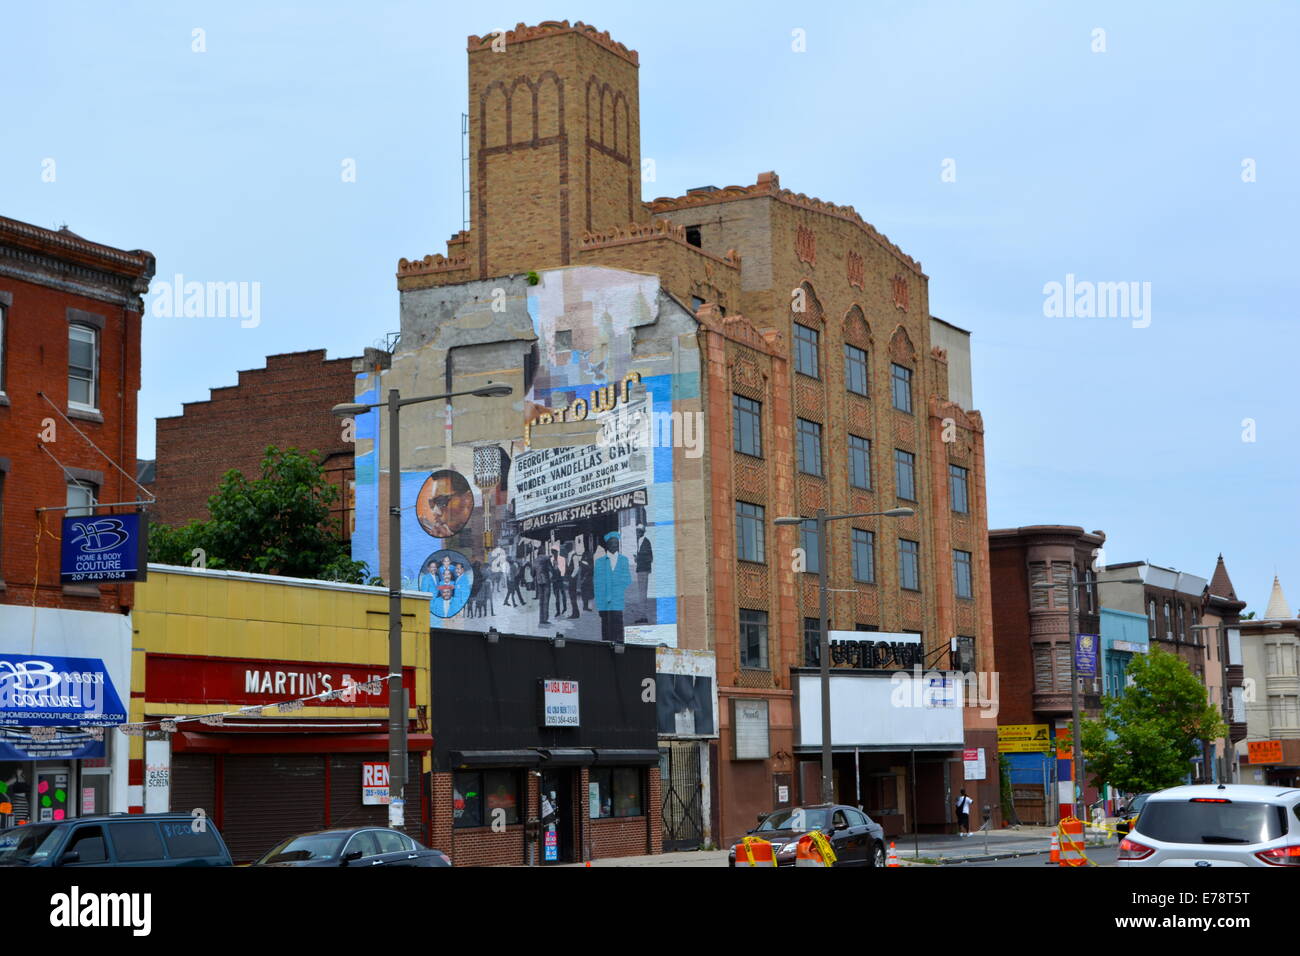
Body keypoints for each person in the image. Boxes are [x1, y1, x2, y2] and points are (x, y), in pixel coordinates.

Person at [593, 531, 632, 643]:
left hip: (617, 599)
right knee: (605, 625)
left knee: (618, 623)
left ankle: (619, 645)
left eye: (617, 543)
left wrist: (618, 588)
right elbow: (597, 583)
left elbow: (627, 579)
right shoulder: (600, 562)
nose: (615, 545)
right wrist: (599, 604)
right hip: (604, 600)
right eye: (613, 543)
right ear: (607, 545)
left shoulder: (623, 560)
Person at [634, 525, 653, 624]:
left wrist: (639, 558)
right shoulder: (642, 541)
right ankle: (642, 615)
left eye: (637, 531)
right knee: (641, 594)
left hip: (643, 570)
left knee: (642, 595)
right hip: (641, 570)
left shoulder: (645, 541)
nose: (636, 533)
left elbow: (649, 557)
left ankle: (643, 616)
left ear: (641, 532)